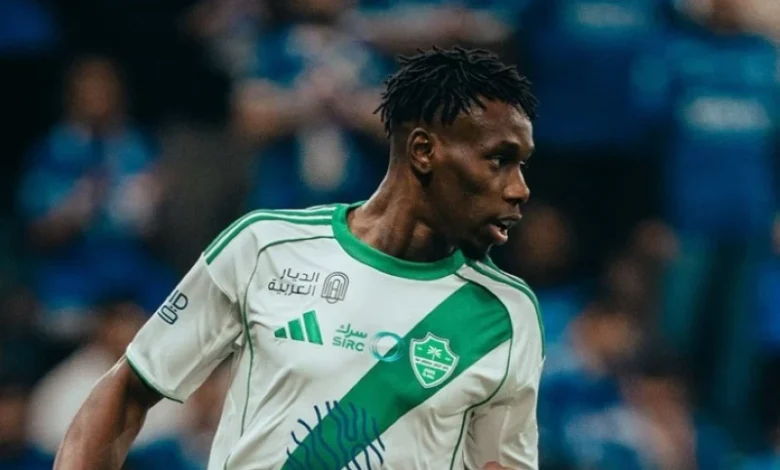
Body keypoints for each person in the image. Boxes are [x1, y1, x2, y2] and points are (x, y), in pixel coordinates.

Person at [55, 47, 544, 470]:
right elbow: (127, 391)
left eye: (522, 165)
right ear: (423, 151)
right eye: (500, 160)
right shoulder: (264, 247)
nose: (520, 189)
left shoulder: (507, 315)